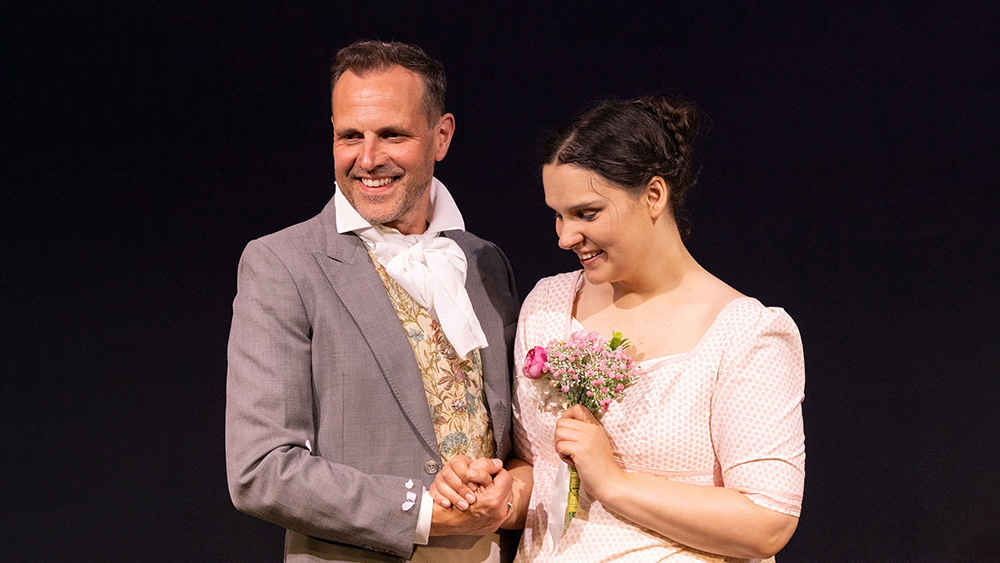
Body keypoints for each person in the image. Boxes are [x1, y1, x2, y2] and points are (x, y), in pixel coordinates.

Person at [431, 95, 806, 562]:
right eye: (558, 215)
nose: (565, 237)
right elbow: (536, 466)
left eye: (586, 214)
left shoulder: (745, 334)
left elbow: (766, 522)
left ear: (654, 195)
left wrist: (613, 483)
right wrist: (500, 498)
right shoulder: (548, 305)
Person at [225, 40, 520, 562]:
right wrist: (422, 513)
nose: (367, 159)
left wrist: (510, 489)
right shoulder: (282, 264)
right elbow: (261, 469)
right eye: (350, 136)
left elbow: (513, 438)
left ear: (441, 136)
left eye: (391, 135)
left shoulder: (484, 262)